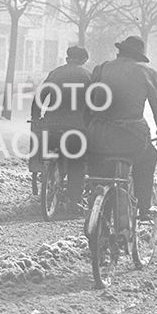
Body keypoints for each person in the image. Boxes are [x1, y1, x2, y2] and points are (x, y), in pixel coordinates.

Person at [86, 35, 157, 224]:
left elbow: (87, 103)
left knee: (100, 173)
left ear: (120, 52)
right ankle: (144, 208)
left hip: (99, 136)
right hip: (131, 137)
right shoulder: (147, 72)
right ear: (139, 55)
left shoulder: (101, 69)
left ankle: (96, 206)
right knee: (149, 157)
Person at [31, 45, 92, 211]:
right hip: (76, 127)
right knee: (76, 163)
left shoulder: (55, 74)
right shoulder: (88, 76)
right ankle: (74, 201)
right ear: (84, 60)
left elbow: (40, 97)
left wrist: (36, 117)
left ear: (67, 58)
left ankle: (50, 176)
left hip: (52, 124)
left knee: (52, 151)